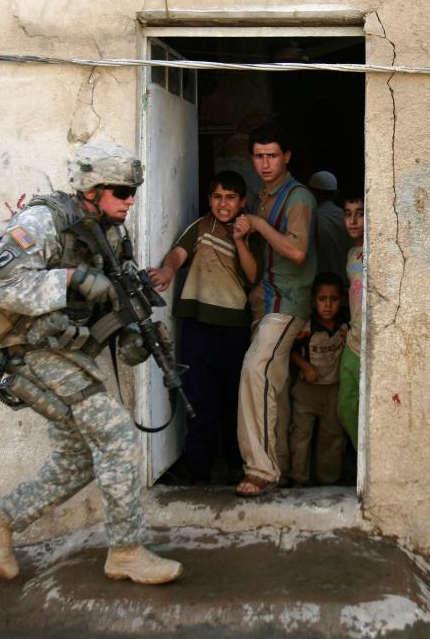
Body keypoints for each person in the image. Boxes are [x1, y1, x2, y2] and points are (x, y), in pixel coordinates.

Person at [0, 141, 183, 585]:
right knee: (115, 434)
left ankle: (0, 519)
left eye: (133, 193)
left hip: (70, 354)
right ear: (91, 189)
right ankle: (125, 550)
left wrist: (134, 339)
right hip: (33, 351)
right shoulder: (43, 222)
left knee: (80, 457)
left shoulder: (112, 234)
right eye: (121, 192)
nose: (130, 201)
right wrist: (70, 279)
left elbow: (111, 308)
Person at [147, 171, 256, 486]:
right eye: (218, 196)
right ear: (210, 199)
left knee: (233, 401)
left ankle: (237, 465)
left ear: (242, 202)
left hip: (234, 328)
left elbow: (251, 276)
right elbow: (178, 254)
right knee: (198, 400)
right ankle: (199, 473)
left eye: (231, 197)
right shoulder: (200, 227)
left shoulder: (249, 232)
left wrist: (238, 239)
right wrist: (168, 270)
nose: (223, 204)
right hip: (197, 328)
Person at [233, 124, 318, 497]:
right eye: (259, 156)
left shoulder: (298, 197)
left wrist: (259, 225)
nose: (265, 163)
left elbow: (298, 253)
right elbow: (253, 270)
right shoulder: (260, 197)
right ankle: (280, 466)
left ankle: (261, 469)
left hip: (288, 302)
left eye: (272, 156)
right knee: (273, 387)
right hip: (264, 303)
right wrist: (240, 238)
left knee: (255, 371)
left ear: (286, 157)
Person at [286, 273, 349, 486]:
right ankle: (298, 478)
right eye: (322, 299)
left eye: (334, 299)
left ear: (343, 300)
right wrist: (305, 366)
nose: (328, 305)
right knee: (301, 435)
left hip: (333, 390)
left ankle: (328, 480)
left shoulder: (345, 325)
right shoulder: (307, 327)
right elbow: (292, 352)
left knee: (332, 436)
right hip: (307, 390)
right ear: (313, 300)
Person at [338, 194, 364, 450]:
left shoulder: (378, 252)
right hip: (354, 340)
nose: (353, 220)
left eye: (360, 213)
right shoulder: (351, 253)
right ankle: (362, 458)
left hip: (375, 343)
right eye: (348, 213)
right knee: (346, 407)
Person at [307, 170, 349, 284]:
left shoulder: (310, 219)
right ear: (336, 193)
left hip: (320, 284)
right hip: (347, 281)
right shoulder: (348, 218)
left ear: (311, 192)